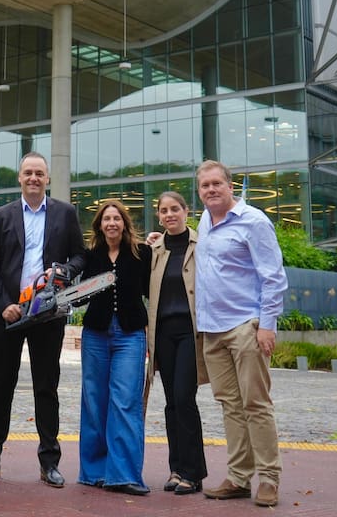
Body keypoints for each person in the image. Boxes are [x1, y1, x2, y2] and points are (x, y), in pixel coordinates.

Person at [0, 150, 85, 488]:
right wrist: (3, 304)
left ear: (47, 178)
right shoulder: (2, 215)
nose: (34, 178)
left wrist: (66, 271)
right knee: (1, 386)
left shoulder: (66, 214)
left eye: (39, 173)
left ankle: (49, 461)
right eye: (28, 173)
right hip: (9, 313)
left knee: (46, 387)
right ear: (20, 178)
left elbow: (81, 256)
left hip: (47, 312)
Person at [193, 160, 287, 508]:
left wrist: (267, 324)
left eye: (217, 183)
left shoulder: (254, 221)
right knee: (230, 406)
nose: (211, 190)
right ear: (199, 191)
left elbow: (273, 276)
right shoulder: (205, 221)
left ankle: (269, 479)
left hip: (245, 325)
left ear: (230, 186)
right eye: (205, 186)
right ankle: (238, 476)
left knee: (256, 404)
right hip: (212, 329)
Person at [77, 200, 152, 496]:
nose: (111, 223)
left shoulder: (141, 252)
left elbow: (151, 288)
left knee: (125, 401)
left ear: (124, 223)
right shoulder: (91, 255)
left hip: (130, 334)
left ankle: (124, 474)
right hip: (96, 333)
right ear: (99, 225)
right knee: (95, 400)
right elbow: (80, 296)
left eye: (116, 218)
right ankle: (94, 471)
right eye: (106, 219)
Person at [146, 191, 208, 495]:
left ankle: (193, 472)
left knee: (185, 398)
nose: (169, 214)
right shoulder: (155, 249)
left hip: (189, 332)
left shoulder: (202, 244)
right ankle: (176, 468)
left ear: (186, 211)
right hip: (163, 333)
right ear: (159, 216)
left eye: (175, 209)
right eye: (163, 210)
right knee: (171, 402)